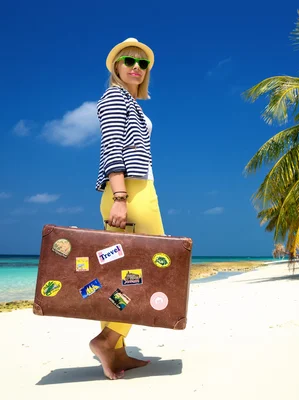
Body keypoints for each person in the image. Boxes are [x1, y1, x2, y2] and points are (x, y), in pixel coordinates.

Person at [89, 37, 165, 380]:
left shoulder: (132, 103)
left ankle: (117, 353)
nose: (136, 67)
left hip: (134, 190)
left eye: (142, 63)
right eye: (129, 61)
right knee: (155, 268)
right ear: (116, 67)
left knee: (118, 273)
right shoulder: (114, 97)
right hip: (130, 192)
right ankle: (108, 339)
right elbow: (112, 146)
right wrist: (120, 197)